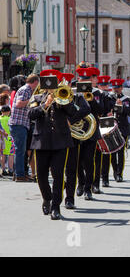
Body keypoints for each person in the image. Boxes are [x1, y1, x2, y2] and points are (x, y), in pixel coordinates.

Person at [29, 70, 77, 220]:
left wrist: (63, 101)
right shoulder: (36, 98)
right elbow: (31, 114)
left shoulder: (65, 96)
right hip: (41, 141)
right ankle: (47, 197)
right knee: (41, 175)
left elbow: (73, 112)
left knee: (58, 175)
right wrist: (45, 104)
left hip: (60, 141)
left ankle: (56, 206)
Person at [76, 67, 105, 200]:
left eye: (87, 79)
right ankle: (80, 183)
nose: (85, 82)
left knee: (88, 161)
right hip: (76, 131)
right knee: (77, 161)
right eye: (82, 79)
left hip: (91, 131)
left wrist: (92, 100)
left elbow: (101, 111)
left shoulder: (98, 93)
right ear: (78, 80)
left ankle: (88, 188)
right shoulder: (74, 93)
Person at [63, 73, 91, 210]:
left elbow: (87, 109)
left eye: (66, 82)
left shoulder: (77, 97)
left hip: (73, 138)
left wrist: (71, 121)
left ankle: (69, 198)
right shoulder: (48, 97)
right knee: (56, 171)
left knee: (71, 170)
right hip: (54, 138)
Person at [9, 74, 40, 182]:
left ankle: (18, 173)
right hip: (19, 123)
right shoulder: (26, 89)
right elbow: (18, 104)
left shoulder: (24, 89)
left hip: (19, 123)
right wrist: (32, 100)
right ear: (35, 82)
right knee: (20, 150)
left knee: (20, 150)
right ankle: (20, 175)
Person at [110, 78, 130, 183]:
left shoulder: (126, 99)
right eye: (115, 88)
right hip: (111, 128)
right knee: (112, 152)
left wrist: (122, 106)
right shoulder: (109, 98)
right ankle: (115, 171)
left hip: (123, 128)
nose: (116, 90)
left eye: (118, 87)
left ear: (122, 88)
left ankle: (120, 174)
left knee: (120, 152)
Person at [0, 106, 14, 176]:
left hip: (1, 139)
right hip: (9, 138)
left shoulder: (0, 119)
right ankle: (10, 170)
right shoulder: (10, 119)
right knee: (11, 155)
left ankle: (3, 169)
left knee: (3, 154)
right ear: (8, 112)